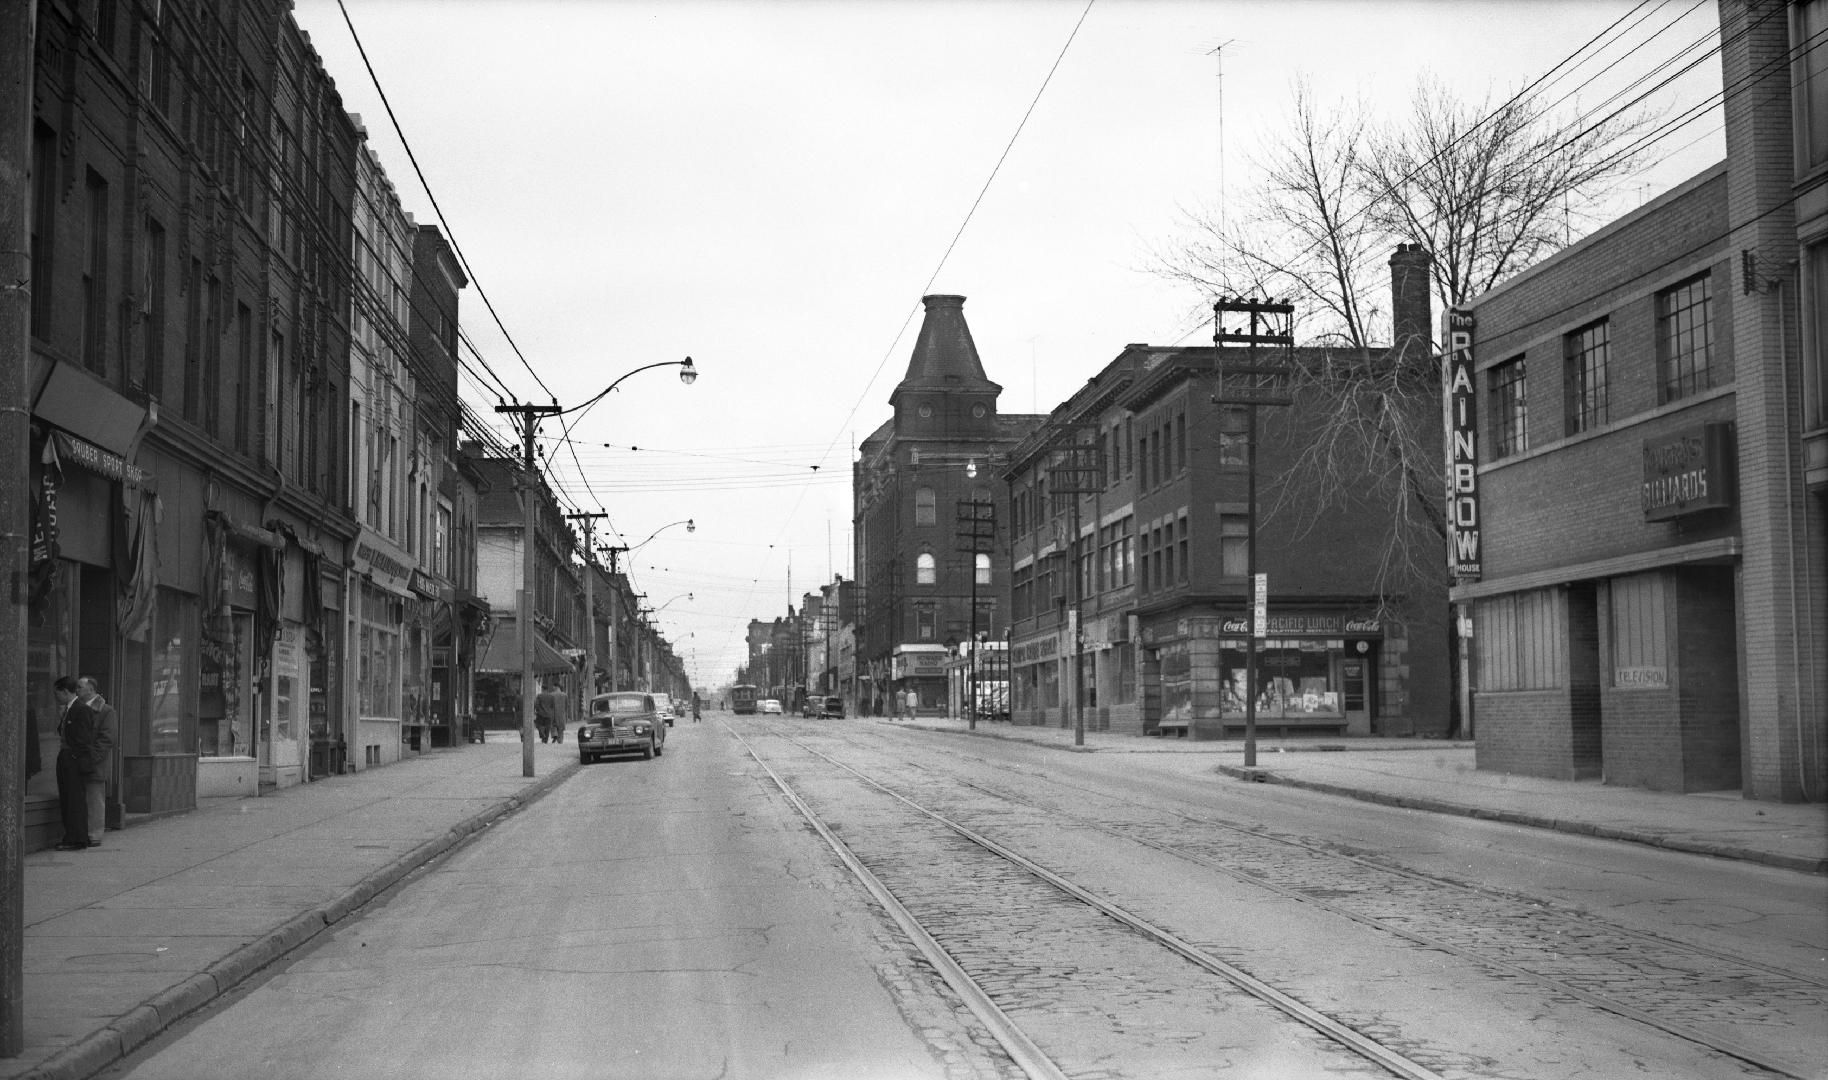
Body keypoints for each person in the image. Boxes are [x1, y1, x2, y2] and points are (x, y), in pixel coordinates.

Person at [52, 675, 96, 851]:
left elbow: (84, 739)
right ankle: (73, 835)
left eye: (57, 694)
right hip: (66, 756)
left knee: (74, 800)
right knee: (67, 798)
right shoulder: (69, 709)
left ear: (65, 692)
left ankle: (76, 838)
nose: (56, 698)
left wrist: (76, 758)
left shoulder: (81, 709)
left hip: (73, 758)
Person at [78, 676, 116, 846]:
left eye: (80, 687)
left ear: (91, 689)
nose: (76, 690)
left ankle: (94, 834)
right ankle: (81, 832)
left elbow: (107, 739)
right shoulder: (77, 708)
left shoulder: (105, 711)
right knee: (80, 799)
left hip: (94, 764)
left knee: (94, 799)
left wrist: (92, 758)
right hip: (77, 762)